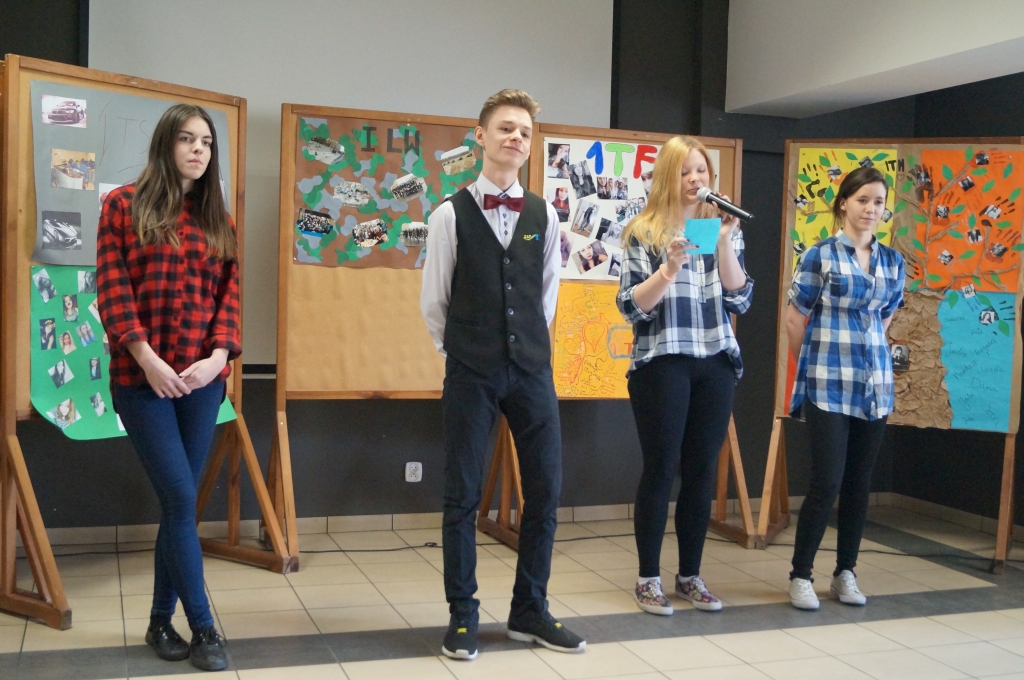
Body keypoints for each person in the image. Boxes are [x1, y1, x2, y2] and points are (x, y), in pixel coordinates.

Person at [421, 89, 585, 661]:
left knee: (545, 491)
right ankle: (463, 616)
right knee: (462, 496)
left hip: (533, 372)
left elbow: (546, 296)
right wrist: (465, 352)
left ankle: (529, 610)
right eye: (506, 128)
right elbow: (434, 302)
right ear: (481, 137)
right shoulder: (448, 215)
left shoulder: (546, 214)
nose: (516, 137)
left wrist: (526, 348)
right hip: (472, 371)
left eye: (525, 132)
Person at [97, 103, 240, 672]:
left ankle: (160, 620)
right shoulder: (122, 206)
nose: (198, 149)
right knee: (181, 500)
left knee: (176, 505)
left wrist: (218, 357)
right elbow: (112, 289)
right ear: (166, 144)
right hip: (142, 381)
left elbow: (229, 297)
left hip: (201, 383)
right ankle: (204, 628)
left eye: (206, 141)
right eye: (186, 139)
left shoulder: (218, 221)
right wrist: (147, 357)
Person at [616, 135, 753, 616]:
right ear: (667, 177)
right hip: (662, 361)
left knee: (701, 471)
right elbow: (632, 307)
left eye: (703, 171)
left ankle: (690, 575)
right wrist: (668, 268)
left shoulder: (719, 228)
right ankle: (648, 578)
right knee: (661, 467)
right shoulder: (643, 231)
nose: (696, 180)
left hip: (715, 360)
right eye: (685, 171)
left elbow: (740, 298)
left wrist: (724, 240)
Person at [785, 166, 904, 611]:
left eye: (878, 202)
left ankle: (845, 573)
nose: (871, 209)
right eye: (862, 200)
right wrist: (816, 364)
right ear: (843, 204)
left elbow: (885, 317)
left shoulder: (892, 261)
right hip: (827, 384)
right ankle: (801, 575)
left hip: (875, 385)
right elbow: (795, 319)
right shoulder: (820, 255)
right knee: (826, 481)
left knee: (859, 483)